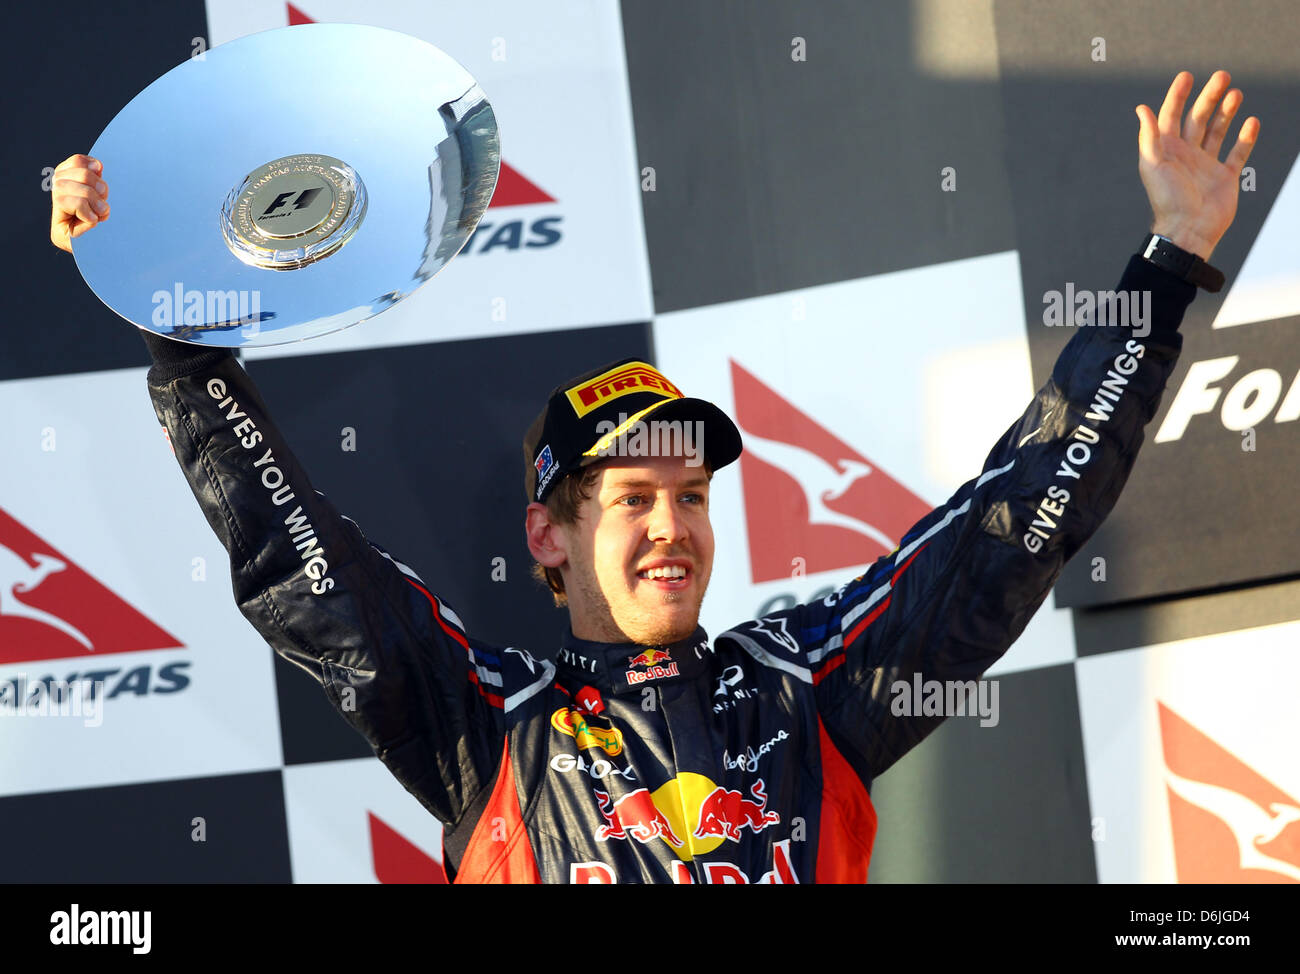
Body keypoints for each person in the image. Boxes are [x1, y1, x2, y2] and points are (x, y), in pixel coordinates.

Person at [52, 70, 1258, 883]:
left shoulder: (808, 682)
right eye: (630, 500)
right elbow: (298, 563)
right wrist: (172, 326)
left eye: (689, 494)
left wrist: (1167, 266)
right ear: (549, 535)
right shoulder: (487, 719)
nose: (671, 524)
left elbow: (1013, 521)